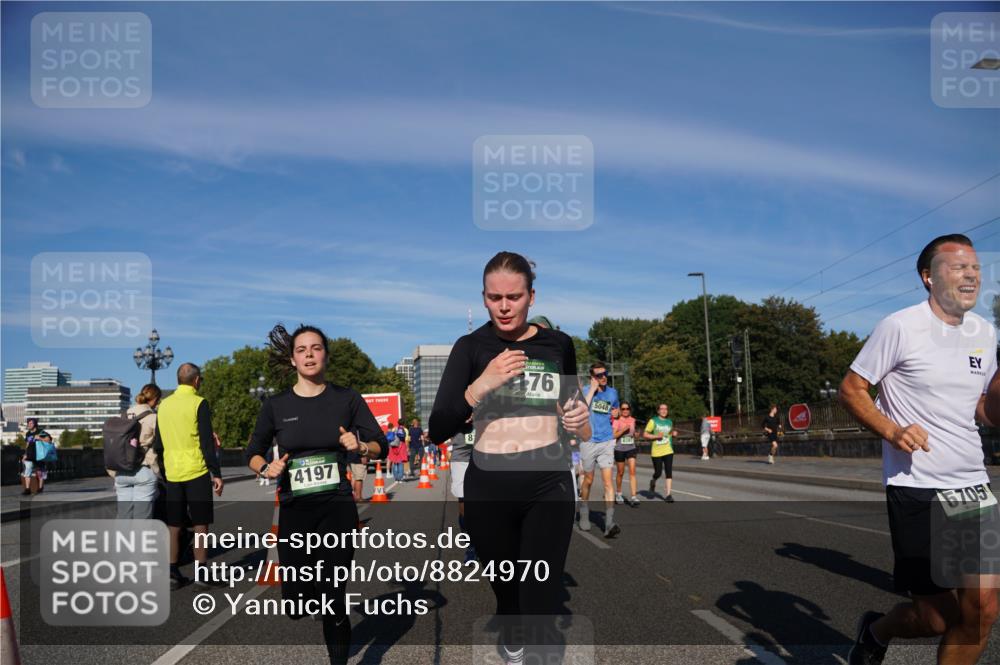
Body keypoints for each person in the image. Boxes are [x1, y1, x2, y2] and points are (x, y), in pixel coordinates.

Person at [841, 234, 998, 665]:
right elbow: (852, 389)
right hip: (917, 487)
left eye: (975, 268)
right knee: (936, 618)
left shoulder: (984, 332)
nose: (970, 274)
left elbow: (985, 409)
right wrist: (892, 431)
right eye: (956, 267)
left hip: (971, 486)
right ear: (929, 277)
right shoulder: (900, 327)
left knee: (983, 609)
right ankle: (877, 631)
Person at [429, 251, 591, 665]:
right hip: (490, 484)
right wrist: (481, 385)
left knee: (541, 595)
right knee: (508, 595)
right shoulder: (471, 347)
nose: (504, 306)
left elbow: (576, 418)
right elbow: (439, 428)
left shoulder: (558, 345)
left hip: (547, 478)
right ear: (483, 298)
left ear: (531, 297)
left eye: (514, 297)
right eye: (494, 297)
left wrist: (578, 417)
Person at [248, 324, 386, 665]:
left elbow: (380, 445)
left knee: (333, 596)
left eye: (316, 348)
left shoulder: (346, 398)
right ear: (293, 359)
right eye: (301, 349)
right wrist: (265, 469)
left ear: (326, 354)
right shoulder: (276, 404)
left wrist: (360, 446)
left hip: (337, 507)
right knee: (297, 604)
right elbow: (253, 452)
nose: (309, 354)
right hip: (295, 510)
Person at [153, 362, 224, 590]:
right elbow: (205, 442)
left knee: (174, 524)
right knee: (200, 523)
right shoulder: (198, 403)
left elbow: (158, 444)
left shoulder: (164, 405)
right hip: (196, 470)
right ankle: (201, 571)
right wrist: (216, 472)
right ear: (196, 380)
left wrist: (165, 471)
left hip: (173, 473)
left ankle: (172, 572)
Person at [579, 361, 622, 538]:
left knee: (607, 482)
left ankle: (609, 523)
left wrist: (616, 413)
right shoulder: (585, 391)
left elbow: (617, 409)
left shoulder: (612, 392)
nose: (603, 377)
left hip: (606, 441)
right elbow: (581, 408)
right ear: (592, 377)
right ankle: (584, 511)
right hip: (588, 441)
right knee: (588, 479)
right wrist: (592, 390)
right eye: (599, 375)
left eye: (605, 374)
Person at [112, 383, 162, 519]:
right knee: (142, 518)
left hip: (121, 471)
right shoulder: (154, 418)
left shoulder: (124, 415)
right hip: (143, 470)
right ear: (155, 399)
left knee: (123, 517)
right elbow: (161, 445)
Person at [449, 421, 477, 563]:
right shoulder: (456, 400)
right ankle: (471, 545)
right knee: (464, 504)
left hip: (487, 453)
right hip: (461, 457)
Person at [643, 403, 675, 502]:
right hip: (656, 451)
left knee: (669, 472)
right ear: (658, 411)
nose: (664, 411)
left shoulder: (669, 422)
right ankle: (653, 480)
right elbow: (645, 434)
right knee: (658, 472)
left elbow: (669, 434)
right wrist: (656, 436)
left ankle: (668, 495)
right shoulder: (653, 421)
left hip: (668, 450)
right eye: (662, 409)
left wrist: (673, 434)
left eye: (666, 409)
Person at [612, 403, 639, 506]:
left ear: (630, 410)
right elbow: (613, 435)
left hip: (631, 448)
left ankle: (633, 497)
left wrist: (635, 435)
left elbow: (633, 433)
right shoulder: (617, 421)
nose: (625, 410)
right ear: (620, 410)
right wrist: (623, 430)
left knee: (632, 471)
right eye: (623, 409)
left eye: (627, 408)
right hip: (619, 449)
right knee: (620, 472)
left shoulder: (633, 420)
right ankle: (618, 493)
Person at [21, 417, 41, 495]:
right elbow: (27, 444)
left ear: (35, 424)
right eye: (28, 423)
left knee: (39, 472)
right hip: (29, 455)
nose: (29, 424)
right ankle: (27, 489)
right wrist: (25, 454)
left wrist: (40, 438)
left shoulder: (40, 431)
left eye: (31, 423)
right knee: (27, 471)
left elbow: (49, 440)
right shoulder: (28, 433)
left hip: (38, 455)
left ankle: (39, 488)